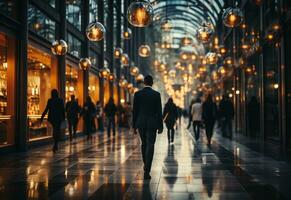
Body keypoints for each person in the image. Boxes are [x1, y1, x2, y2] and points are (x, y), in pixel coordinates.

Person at [133, 75, 163, 180]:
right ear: (152, 83)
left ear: (144, 83)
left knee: (144, 144)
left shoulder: (137, 94)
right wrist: (160, 126)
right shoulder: (156, 95)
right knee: (150, 145)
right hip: (152, 124)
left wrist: (133, 126)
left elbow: (135, 111)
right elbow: (159, 112)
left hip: (140, 123)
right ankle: (147, 170)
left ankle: (146, 165)